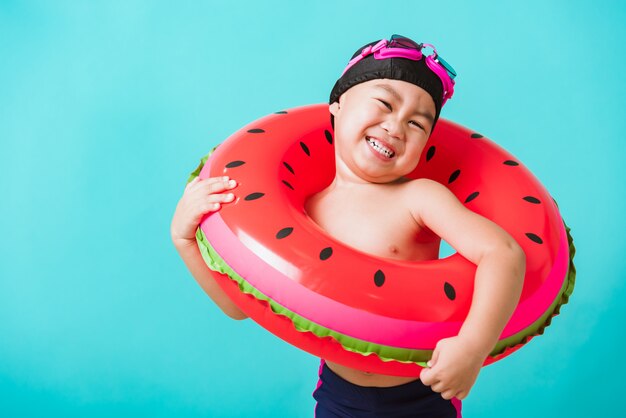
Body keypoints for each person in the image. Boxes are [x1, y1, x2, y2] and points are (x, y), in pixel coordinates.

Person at [171, 35, 526, 418]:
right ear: (337, 105)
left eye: (417, 124)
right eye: (385, 104)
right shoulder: (306, 211)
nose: (395, 127)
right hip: (339, 396)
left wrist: (472, 347)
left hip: (423, 391)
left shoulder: (421, 197)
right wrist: (185, 239)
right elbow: (241, 307)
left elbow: (502, 254)